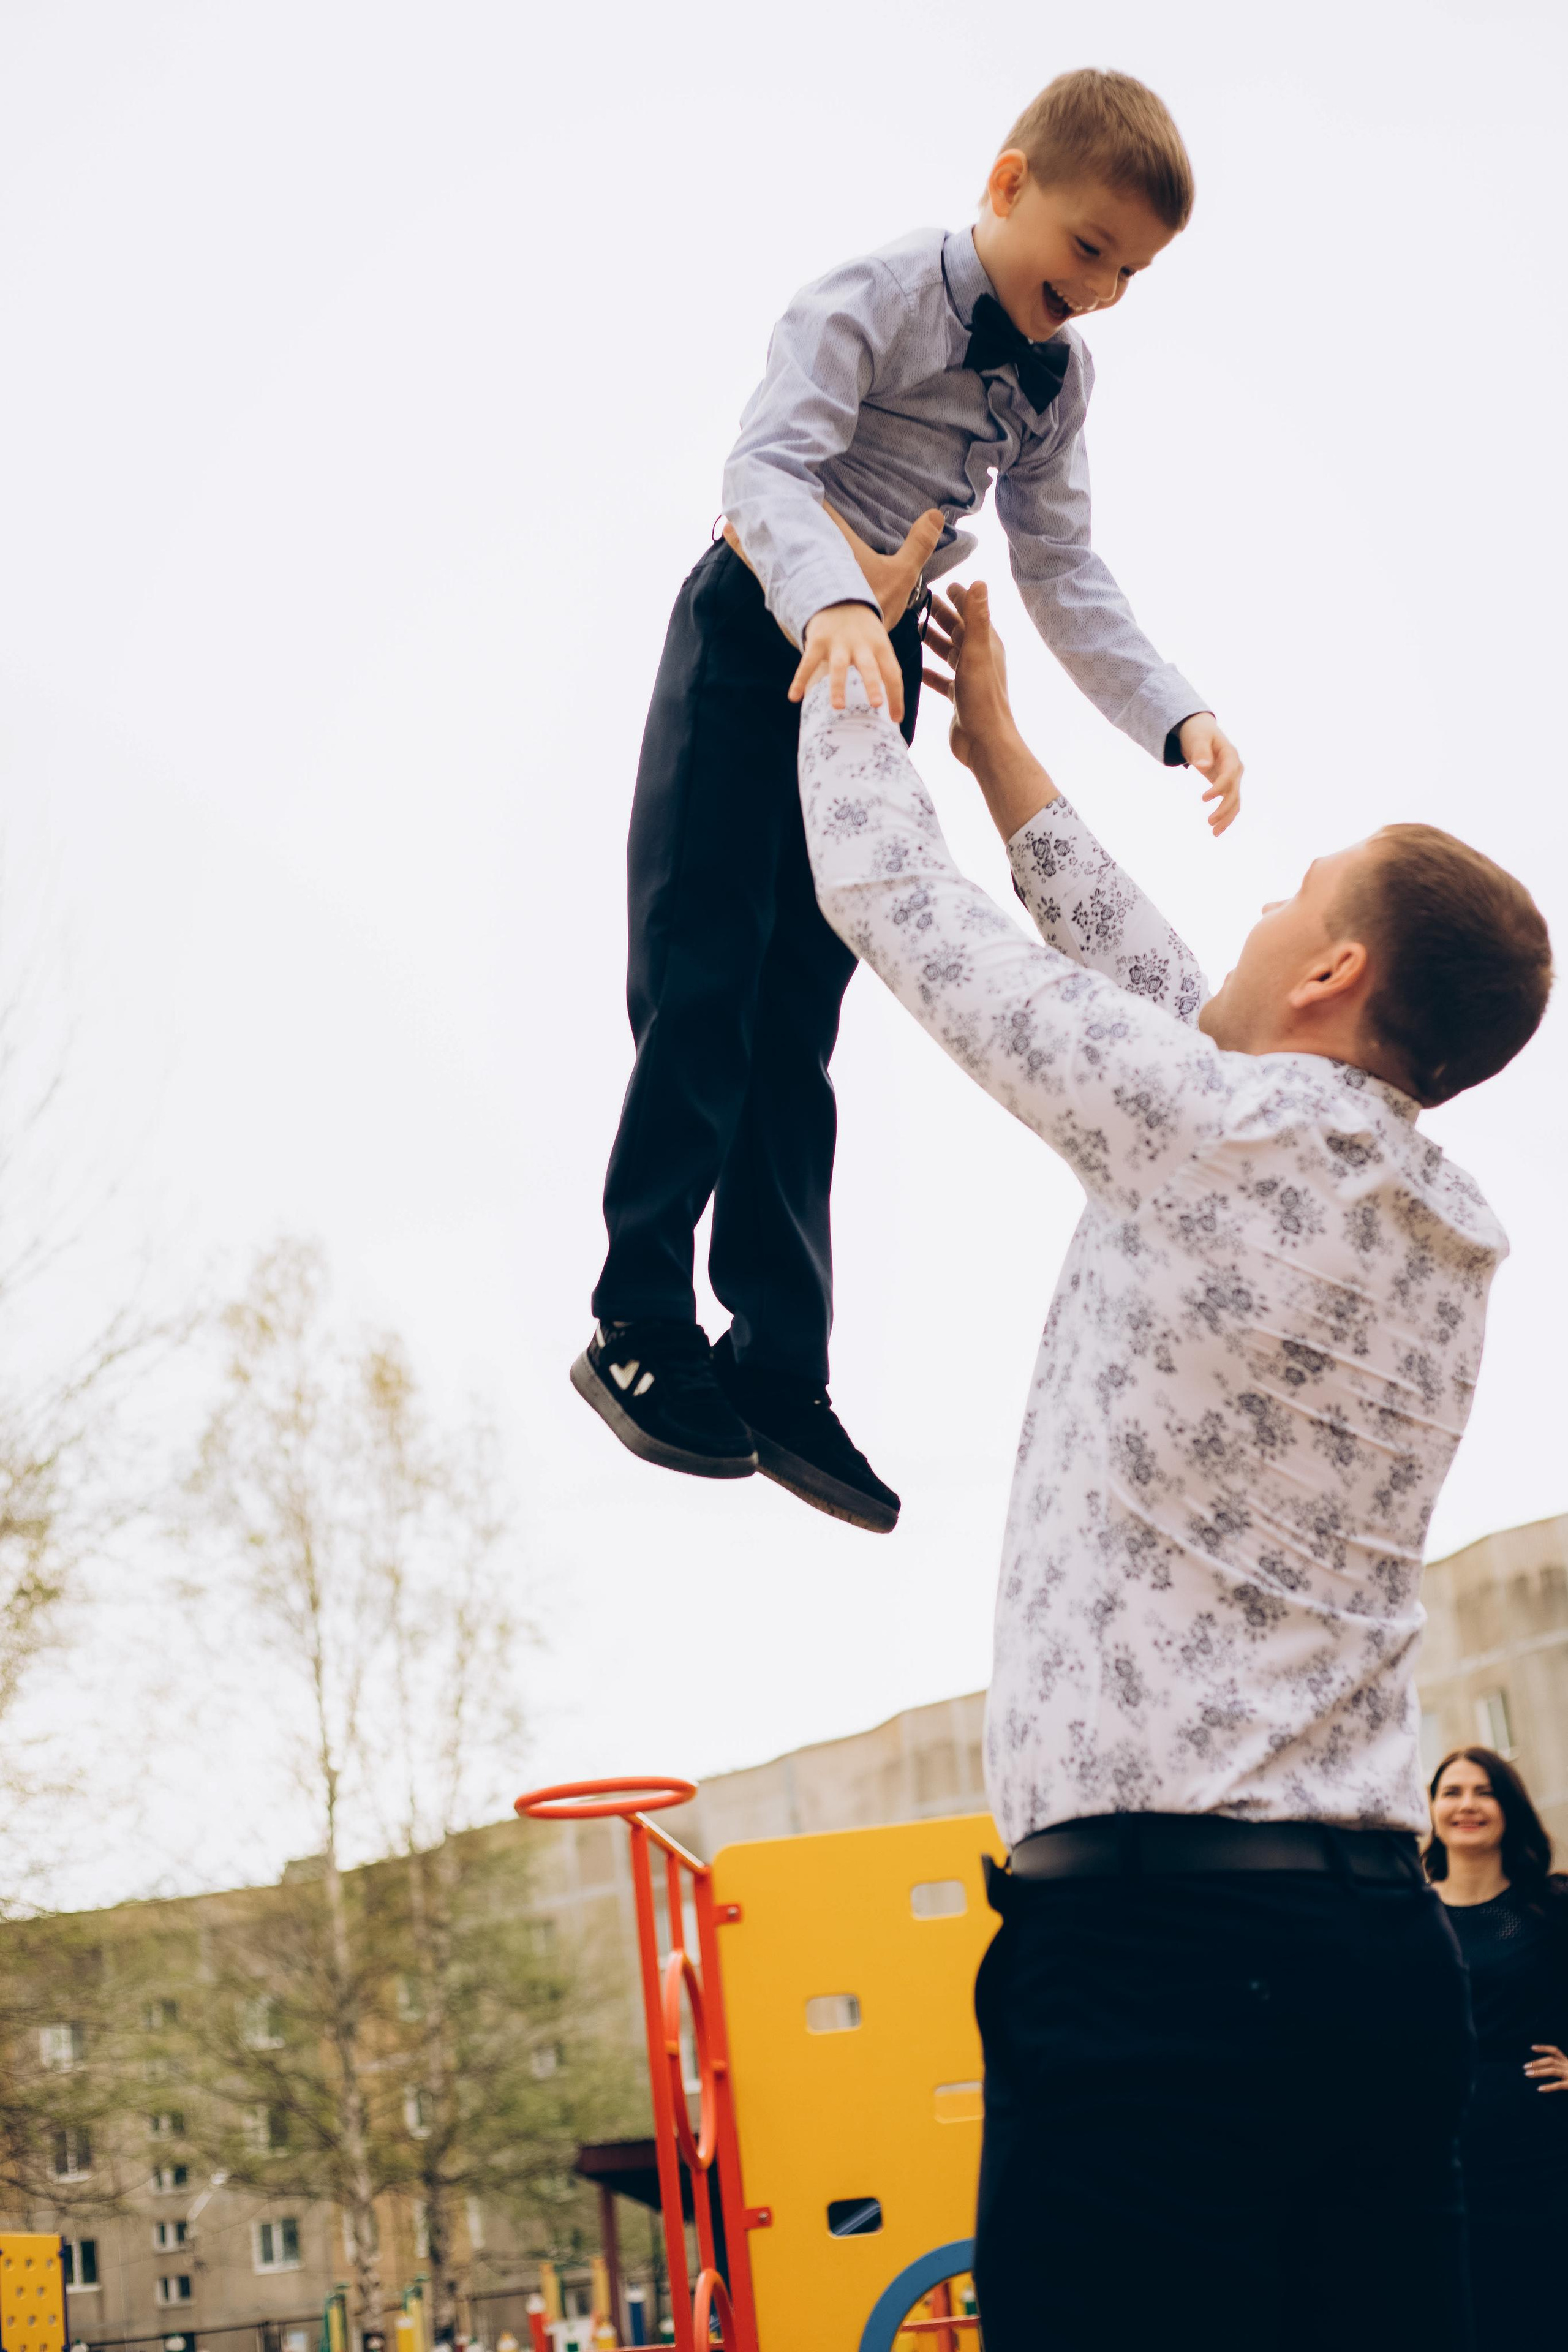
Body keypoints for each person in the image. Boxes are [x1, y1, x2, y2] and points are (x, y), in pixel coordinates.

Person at [793, 563, 1553, 2348]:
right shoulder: (1431, 1221)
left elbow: (885, 898)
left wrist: (844, 657)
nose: (1253, 913)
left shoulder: (1205, 1134)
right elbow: (1169, 1001)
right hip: (1374, 1968)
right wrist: (996, 748)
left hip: (1152, 1974)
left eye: (1286, 894)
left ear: (1334, 966)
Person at [573, 69, 1245, 1536]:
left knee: (794, 1024)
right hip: (759, 630)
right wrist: (826, 599)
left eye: (1129, 273)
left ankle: (777, 1365)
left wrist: (1171, 710)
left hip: (867, 682)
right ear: (1005, 185)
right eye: (1085, 250)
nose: (1100, 291)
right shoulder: (867, 295)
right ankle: (637, 1317)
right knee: (698, 983)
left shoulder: (1056, 381)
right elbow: (764, 463)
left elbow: (1061, 566)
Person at [1425, 1747, 1568, 2346]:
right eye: (1451, 1791)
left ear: (1507, 1806)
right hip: (1434, 2151)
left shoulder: (1552, 1908)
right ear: (1430, 1809)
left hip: (1539, 2150)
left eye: (1482, 1791)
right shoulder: (1407, 1911)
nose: (1466, 1805)